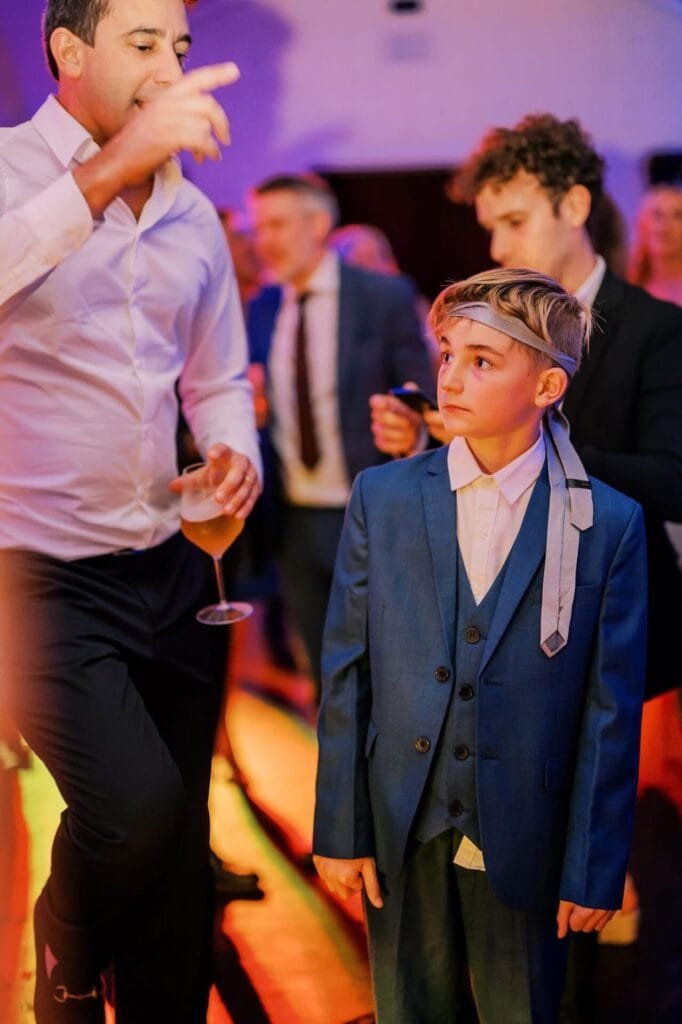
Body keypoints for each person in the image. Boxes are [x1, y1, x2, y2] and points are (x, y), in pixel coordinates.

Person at [0, 2, 262, 1021]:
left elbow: (217, 374)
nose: (171, 67)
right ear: (70, 53)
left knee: (178, 846)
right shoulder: (12, 170)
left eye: (180, 48)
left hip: (170, 560)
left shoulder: (192, 215)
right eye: (143, 43)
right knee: (133, 814)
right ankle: (64, 949)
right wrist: (115, 165)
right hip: (36, 574)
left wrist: (232, 450)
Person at [313, 267, 647, 1023]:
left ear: (547, 389)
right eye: (446, 354)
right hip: (403, 828)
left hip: (528, 836)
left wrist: (593, 868)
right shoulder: (383, 497)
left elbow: (609, 709)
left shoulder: (608, 524)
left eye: (482, 361)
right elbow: (346, 672)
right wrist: (340, 825)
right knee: (408, 1006)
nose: (450, 377)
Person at [373, 113, 682, 705]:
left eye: (514, 222)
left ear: (574, 205)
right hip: (508, 627)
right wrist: (428, 438)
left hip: (621, 624)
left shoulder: (657, 328)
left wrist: (536, 452)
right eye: (491, 226)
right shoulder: (497, 333)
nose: (497, 248)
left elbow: (672, 482)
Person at [247, 172, 433, 701]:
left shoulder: (380, 295)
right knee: (325, 676)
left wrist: (410, 423)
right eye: (260, 227)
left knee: (388, 670)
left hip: (369, 512)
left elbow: (420, 391)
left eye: (278, 224)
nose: (265, 240)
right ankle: (337, 780)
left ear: (319, 223)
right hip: (293, 521)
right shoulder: (262, 307)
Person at [628, 182, 682, 305]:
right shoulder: (622, 282)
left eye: (677, 216)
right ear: (640, 223)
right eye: (657, 214)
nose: (666, 224)